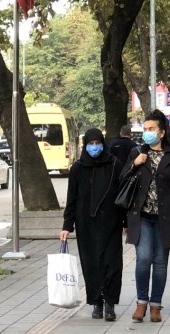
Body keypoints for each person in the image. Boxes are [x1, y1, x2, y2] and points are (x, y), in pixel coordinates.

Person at [120, 109, 170, 323]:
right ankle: (141, 302)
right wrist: (135, 163)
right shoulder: (137, 153)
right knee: (143, 259)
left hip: (166, 217)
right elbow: (121, 179)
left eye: (151, 129)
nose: (147, 133)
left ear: (161, 133)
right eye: (145, 129)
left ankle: (155, 305)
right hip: (141, 216)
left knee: (160, 262)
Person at [60, 128, 125, 321]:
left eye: (98, 143)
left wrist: (127, 222)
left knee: (112, 263)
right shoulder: (78, 168)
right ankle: (96, 301)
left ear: (103, 144)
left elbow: (123, 194)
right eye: (91, 144)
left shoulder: (114, 164)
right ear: (85, 145)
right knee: (91, 264)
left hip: (111, 222)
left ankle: (110, 303)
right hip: (85, 223)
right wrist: (66, 225)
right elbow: (72, 198)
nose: (94, 147)